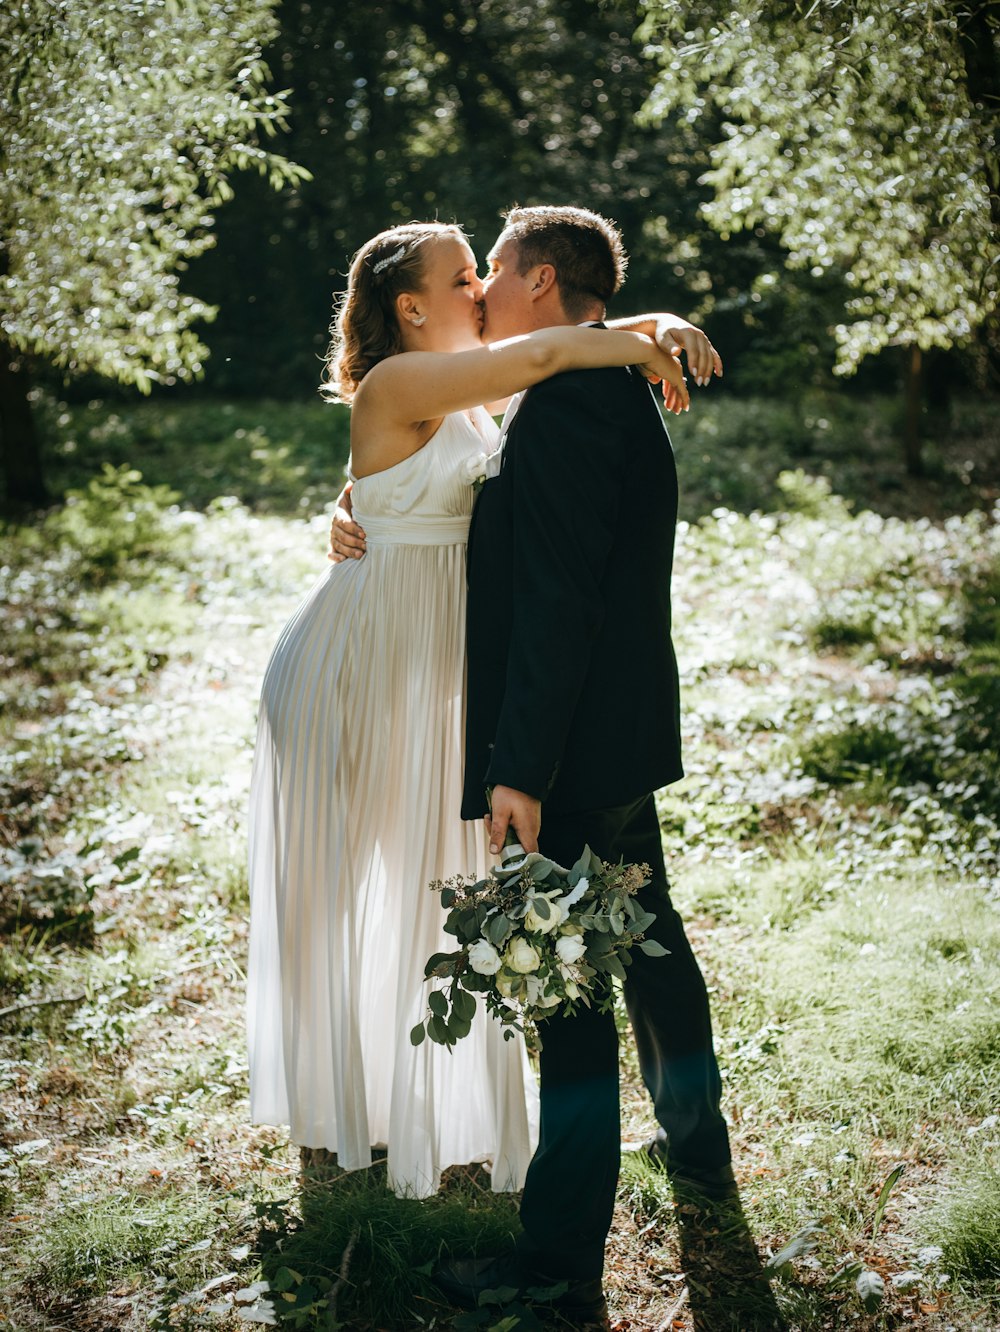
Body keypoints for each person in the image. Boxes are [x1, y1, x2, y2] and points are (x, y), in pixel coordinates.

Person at [246, 219, 701, 1202]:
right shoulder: (407, 382)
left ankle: (437, 1113)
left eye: (484, 271)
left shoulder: (468, 389)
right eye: (462, 278)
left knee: (434, 894)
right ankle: (349, 1111)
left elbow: (532, 363)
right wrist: (643, 332)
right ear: (412, 308)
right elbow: (541, 348)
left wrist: (640, 323)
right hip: (360, 668)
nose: (478, 288)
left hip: (437, 675)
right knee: (361, 896)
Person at [425, 205, 736, 1330]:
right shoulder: (609, 386)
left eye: (495, 271)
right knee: (649, 945)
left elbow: (556, 605)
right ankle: (699, 1155)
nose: (481, 290)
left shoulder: (566, 407)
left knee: (569, 995)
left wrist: (520, 766)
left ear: (544, 280)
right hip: (616, 734)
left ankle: (557, 1263)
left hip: (566, 749)